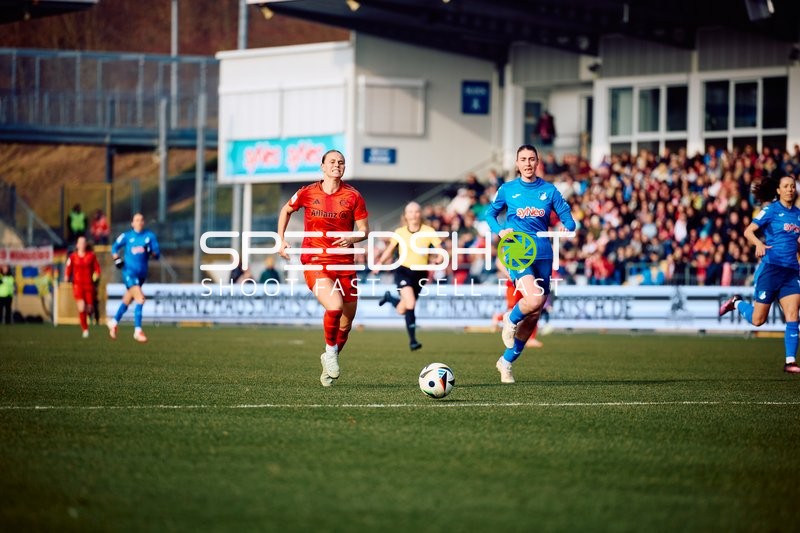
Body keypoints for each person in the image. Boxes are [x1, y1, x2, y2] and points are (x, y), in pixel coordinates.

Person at [277, 149, 369, 387]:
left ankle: (330, 357)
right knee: (335, 306)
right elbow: (286, 210)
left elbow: (363, 231)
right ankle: (330, 352)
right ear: (322, 166)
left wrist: (351, 238)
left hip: (345, 264)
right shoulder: (307, 192)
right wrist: (281, 239)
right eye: (332, 162)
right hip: (315, 261)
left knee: (346, 324)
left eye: (341, 162)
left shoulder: (353, 196)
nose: (337, 165)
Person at [485, 144, 576, 383]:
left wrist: (568, 224)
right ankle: (509, 319)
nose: (527, 163)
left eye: (531, 159)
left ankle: (505, 362)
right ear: (517, 164)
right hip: (517, 251)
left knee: (534, 314)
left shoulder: (549, 190)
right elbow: (489, 215)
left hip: (544, 254)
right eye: (523, 159)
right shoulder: (507, 189)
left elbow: (568, 217)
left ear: (537, 163)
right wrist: (500, 230)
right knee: (534, 299)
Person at [719, 173, 800, 374]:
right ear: (778, 190)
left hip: (791, 271)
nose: (790, 189)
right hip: (771, 269)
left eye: (792, 186)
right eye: (786, 186)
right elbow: (749, 231)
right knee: (758, 320)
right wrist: (758, 244)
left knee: (793, 315)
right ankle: (736, 302)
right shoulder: (771, 210)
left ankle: (790, 362)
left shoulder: (798, 214)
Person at [374, 201, 445, 351]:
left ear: (421, 214)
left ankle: (390, 298)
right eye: (410, 212)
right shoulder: (400, 232)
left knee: (402, 309)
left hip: (420, 274)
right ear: (405, 215)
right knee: (411, 304)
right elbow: (390, 249)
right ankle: (413, 341)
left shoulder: (429, 231)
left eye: (416, 211)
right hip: (403, 270)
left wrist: (439, 258)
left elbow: (440, 250)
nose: (414, 214)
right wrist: (380, 262)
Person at [107, 213, 161, 343]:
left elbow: (157, 254)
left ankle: (113, 322)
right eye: (137, 220)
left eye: (142, 220)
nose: (139, 222)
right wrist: (117, 259)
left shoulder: (149, 236)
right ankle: (137, 330)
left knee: (127, 299)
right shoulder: (127, 236)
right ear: (132, 223)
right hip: (129, 273)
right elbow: (114, 247)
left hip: (141, 275)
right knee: (140, 299)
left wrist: (150, 251)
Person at [64, 236, 101, 338]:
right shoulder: (72, 257)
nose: (82, 244)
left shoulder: (91, 256)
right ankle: (85, 330)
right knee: (81, 307)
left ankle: (91, 314)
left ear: (86, 244)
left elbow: (97, 268)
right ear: (77, 245)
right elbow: (68, 268)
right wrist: (66, 276)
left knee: (89, 308)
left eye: (83, 242)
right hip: (77, 285)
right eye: (80, 242)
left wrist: (97, 275)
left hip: (89, 285)